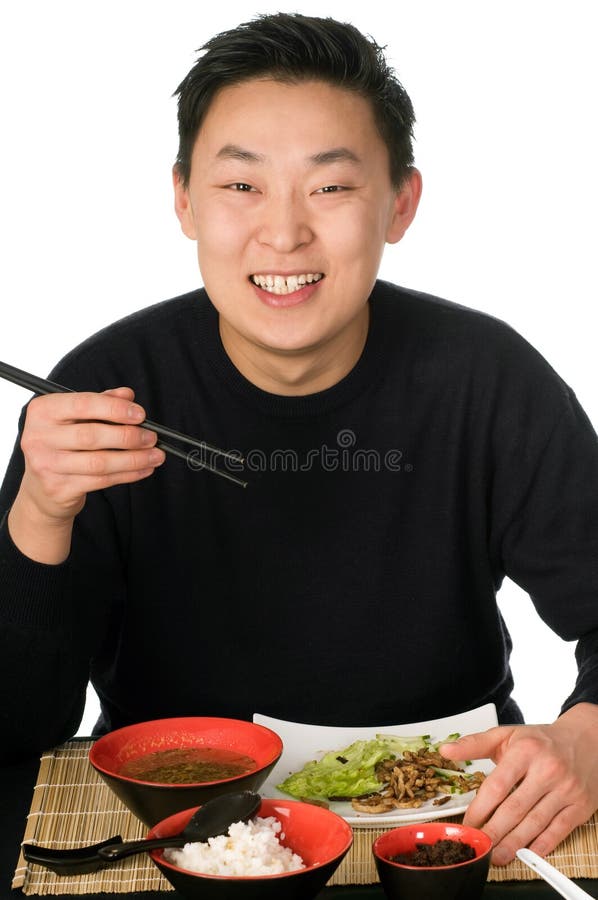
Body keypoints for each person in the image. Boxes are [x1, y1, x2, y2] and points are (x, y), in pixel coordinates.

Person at [1, 12, 597, 867]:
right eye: (241, 186)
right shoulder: (103, 392)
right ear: (183, 200)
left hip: (454, 820)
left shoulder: (486, 378)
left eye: (331, 186)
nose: (283, 233)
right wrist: (39, 513)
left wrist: (589, 735)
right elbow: (16, 733)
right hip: (180, 831)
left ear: (400, 204)